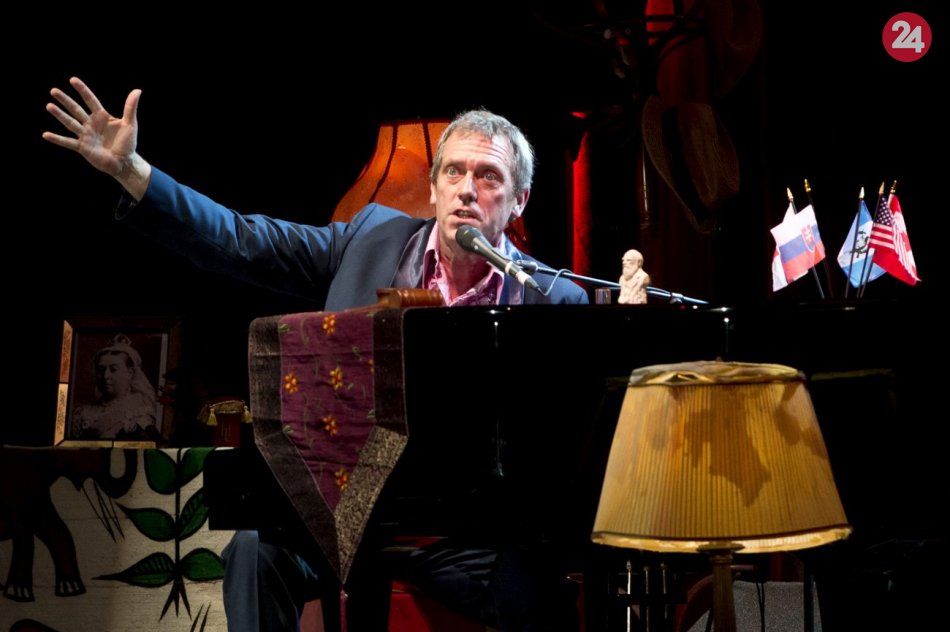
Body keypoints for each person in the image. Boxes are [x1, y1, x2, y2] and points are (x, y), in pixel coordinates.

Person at [44, 77, 587, 631]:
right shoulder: (369, 240)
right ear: (433, 188)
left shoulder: (553, 298)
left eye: (488, 176)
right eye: (454, 172)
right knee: (255, 550)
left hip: (466, 534)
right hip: (344, 510)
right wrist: (134, 172)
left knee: (538, 590)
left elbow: (564, 449)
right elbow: (241, 239)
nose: (467, 190)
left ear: (519, 200)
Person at [72, 333, 160, 439]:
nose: (105, 376)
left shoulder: (140, 408)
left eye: (113, 370)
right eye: (100, 370)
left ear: (130, 373)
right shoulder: (83, 410)